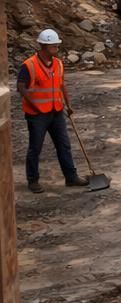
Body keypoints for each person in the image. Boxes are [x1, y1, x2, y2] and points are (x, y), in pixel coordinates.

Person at [18, 30, 88, 192]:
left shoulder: (58, 63)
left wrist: (68, 105)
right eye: (53, 45)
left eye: (57, 45)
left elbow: (61, 85)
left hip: (56, 112)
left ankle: (71, 177)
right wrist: (35, 105)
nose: (56, 47)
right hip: (37, 115)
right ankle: (33, 180)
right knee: (35, 148)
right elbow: (21, 87)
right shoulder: (29, 65)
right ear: (43, 45)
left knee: (64, 145)